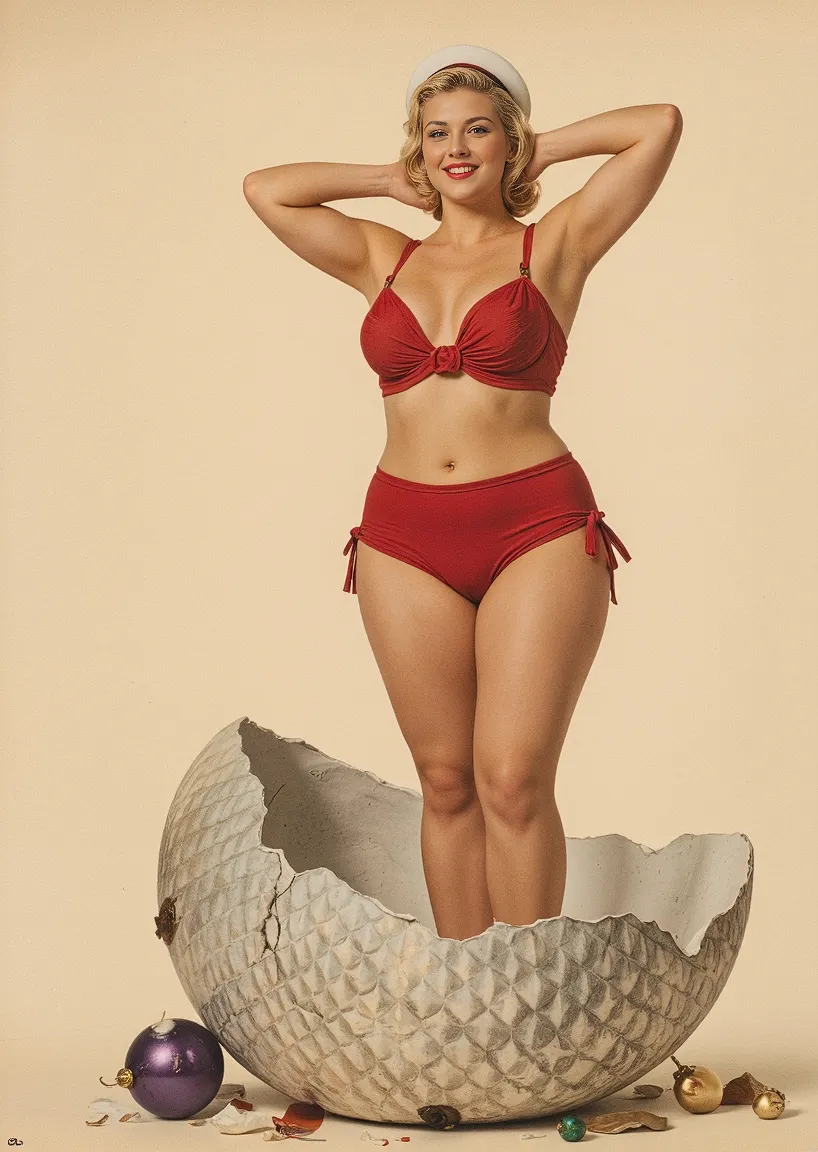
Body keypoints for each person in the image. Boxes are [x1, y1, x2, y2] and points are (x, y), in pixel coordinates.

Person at [242, 45, 682, 941]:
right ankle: (463, 989)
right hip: (403, 536)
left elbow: (657, 127)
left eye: (478, 130)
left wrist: (540, 149)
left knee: (512, 779)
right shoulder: (383, 255)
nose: (456, 148)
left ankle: (529, 993)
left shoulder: (554, 244)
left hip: (537, 525)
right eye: (437, 133)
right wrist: (386, 179)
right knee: (445, 783)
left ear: (507, 141)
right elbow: (266, 190)